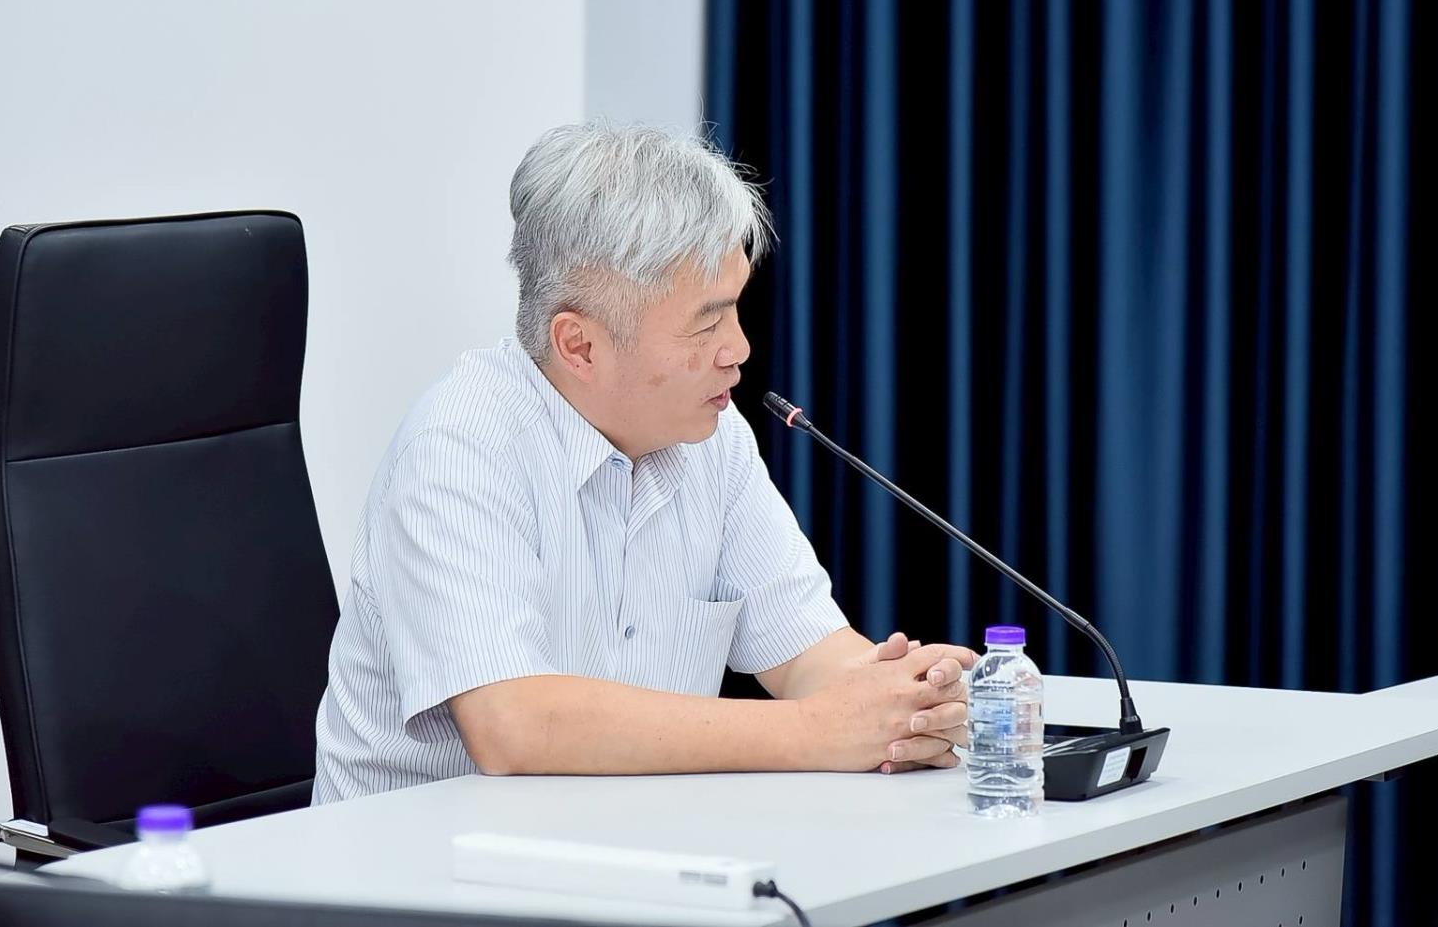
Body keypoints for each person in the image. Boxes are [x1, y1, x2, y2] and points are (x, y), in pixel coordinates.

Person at [312, 122, 975, 801]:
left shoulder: (712, 439)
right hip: (425, 858)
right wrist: (815, 729)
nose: (740, 349)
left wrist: (907, 702)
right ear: (580, 346)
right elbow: (513, 724)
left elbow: (808, 653)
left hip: (630, 841)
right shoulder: (459, 448)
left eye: (736, 309)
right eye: (707, 322)